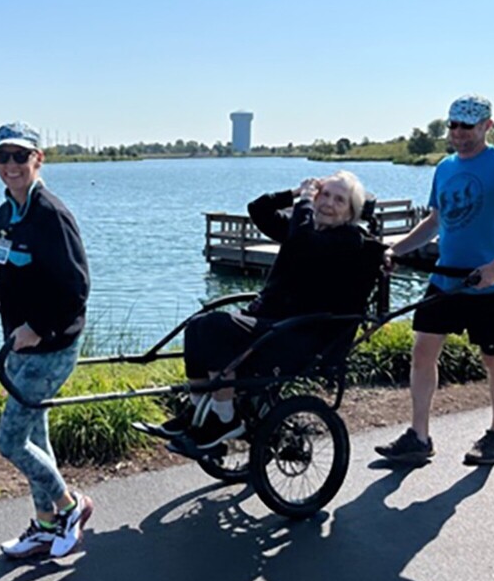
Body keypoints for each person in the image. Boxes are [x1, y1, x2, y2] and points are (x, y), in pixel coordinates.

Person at [139, 170, 383, 453]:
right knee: (196, 327)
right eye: (324, 194)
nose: (328, 203)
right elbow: (258, 209)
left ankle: (224, 418)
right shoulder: (306, 230)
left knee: (214, 328)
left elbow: (304, 243)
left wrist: (304, 202)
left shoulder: (347, 239)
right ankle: (198, 415)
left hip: (300, 335)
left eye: (339, 200)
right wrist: (294, 193)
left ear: (350, 211)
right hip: (273, 323)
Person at [377, 95, 494, 466]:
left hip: (492, 283)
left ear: (488, 126)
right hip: (448, 277)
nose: (459, 133)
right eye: (453, 125)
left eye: (467, 126)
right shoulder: (444, 168)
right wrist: (396, 250)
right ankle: (418, 437)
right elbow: (435, 222)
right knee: (423, 351)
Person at [0, 121, 94, 559]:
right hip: (20, 346)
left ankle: (70, 506)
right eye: (2, 156)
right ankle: (44, 526)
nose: (10, 165)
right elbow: (14, 274)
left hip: (51, 347)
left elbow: (75, 288)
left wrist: (38, 327)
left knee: (10, 442)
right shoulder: (7, 212)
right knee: (34, 441)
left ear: (38, 160)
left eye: (20, 156)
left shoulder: (51, 214)